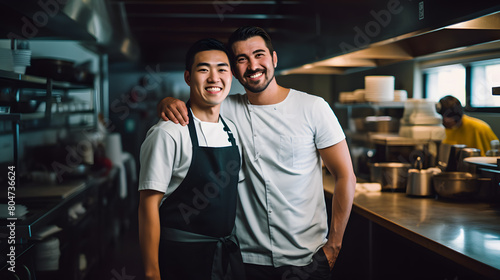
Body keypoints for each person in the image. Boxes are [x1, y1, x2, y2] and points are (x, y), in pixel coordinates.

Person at [157, 26, 356, 280]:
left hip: (307, 259)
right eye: (241, 59)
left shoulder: (313, 108)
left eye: (259, 55)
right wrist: (165, 102)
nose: (252, 65)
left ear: (273, 58)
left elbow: (345, 175)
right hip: (244, 260)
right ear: (234, 70)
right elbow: (188, 108)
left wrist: (334, 246)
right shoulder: (224, 110)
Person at [138, 38, 245, 280]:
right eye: (203, 69)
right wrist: (152, 273)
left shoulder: (231, 130)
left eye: (222, 69)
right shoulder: (168, 132)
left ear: (231, 77)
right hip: (181, 260)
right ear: (188, 77)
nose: (214, 78)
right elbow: (148, 206)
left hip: (224, 258)